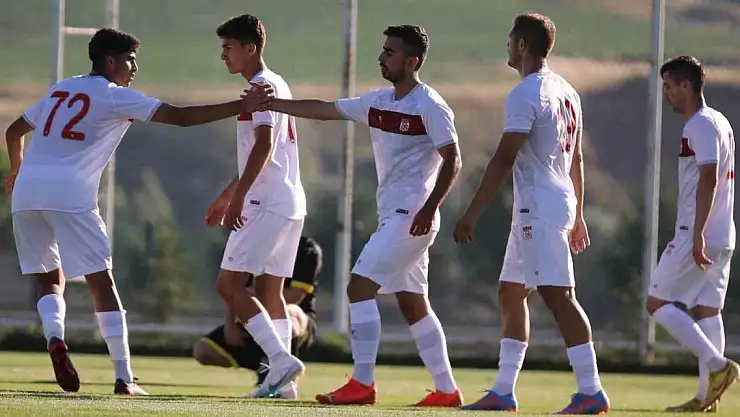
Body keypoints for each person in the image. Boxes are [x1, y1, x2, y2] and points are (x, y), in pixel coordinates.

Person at [3, 28, 270, 395]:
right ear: (111, 61)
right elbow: (181, 117)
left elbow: (14, 131)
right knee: (102, 284)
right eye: (130, 61)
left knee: (49, 279)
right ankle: (124, 377)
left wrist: (16, 168)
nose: (135, 68)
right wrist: (241, 106)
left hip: (27, 193)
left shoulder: (61, 89)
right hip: (69, 193)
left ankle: (55, 338)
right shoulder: (115, 96)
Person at [259, 24, 463, 407]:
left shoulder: (431, 105)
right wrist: (275, 104)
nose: (382, 57)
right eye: (383, 50)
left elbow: (453, 160)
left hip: (411, 217)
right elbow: (324, 110)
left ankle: (363, 383)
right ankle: (447, 391)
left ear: (412, 61)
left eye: (390, 52)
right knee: (413, 303)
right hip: (398, 217)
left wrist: (430, 206)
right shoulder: (378, 101)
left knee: (358, 287)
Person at [453, 13, 610, 414]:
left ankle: (591, 391)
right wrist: (578, 213)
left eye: (510, 40)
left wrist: (473, 211)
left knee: (559, 296)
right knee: (511, 292)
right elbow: (575, 159)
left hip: (539, 207)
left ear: (522, 45)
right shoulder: (567, 91)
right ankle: (503, 391)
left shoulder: (527, 92)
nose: (507, 47)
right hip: (549, 204)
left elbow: (505, 156)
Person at [206, 14, 306, 399]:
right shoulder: (277, 83)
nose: (223, 55)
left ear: (250, 48)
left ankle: (280, 361)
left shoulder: (260, 87)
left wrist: (240, 197)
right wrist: (226, 195)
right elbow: (263, 151)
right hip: (289, 200)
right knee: (269, 290)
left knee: (228, 285)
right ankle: (283, 386)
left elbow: (263, 146)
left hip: (266, 201)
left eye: (228, 47)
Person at [647, 55, 739, 413]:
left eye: (669, 86)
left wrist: (697, 233)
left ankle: (718, 366)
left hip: (697, 232)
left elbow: (708, 178)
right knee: (707, 309)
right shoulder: (721, 121)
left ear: (686, 85)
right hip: (724, 233)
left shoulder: (699, 124)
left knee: (656, 303)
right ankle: (705, 398)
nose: (666, 94)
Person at [193, 235, 322, 399]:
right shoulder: (260, 242)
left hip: (297, 320)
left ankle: (282, 368)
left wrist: (250, 302)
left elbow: (292, 296)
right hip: (257, 314)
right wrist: (230, 324)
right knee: (203, 349)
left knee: (287, 309)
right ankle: (271, 367)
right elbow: (239, 290)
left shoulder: (306, 249)